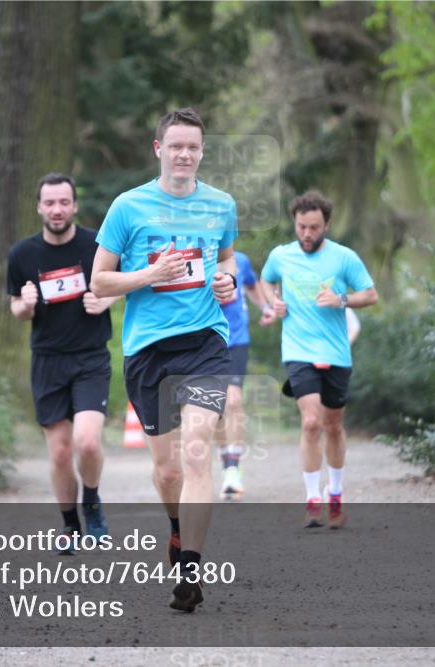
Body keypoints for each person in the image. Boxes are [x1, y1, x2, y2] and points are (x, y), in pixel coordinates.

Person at [90, 108, 237, 612]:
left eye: (193, 147)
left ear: (202, 151)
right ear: (159, 149)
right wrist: (148, 276)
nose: (185, 154)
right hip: (148, 350)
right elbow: (99, 282)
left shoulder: (220, 205)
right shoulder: (128, 208)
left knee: (198, 450)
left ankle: (192, 569)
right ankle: (177, 530)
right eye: (176, 146)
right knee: (168, 472)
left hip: (205, 342)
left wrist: (229, 281)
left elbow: (227, 260)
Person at [7, 173, 118, 554]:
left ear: (74, 206)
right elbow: (17, 311)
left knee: (86, 442)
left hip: (90, 357)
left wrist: (106, 300)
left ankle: (93, 504)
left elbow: (120, 283)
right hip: (48, 361)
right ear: (39, 207)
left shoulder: (96, 246)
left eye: (64, 203)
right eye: (50, 203)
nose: (57, 210)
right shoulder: (23, 255)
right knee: (58, 452)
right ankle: (70, 525)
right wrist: (26, 303)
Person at [259, 190, 378, 529]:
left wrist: (342, 300)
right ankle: (312, 499)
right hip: (298, 351)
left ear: (326, 224)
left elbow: (371, 295)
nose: (307, 234)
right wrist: (273, 303)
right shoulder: (280, 256)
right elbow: (267, 281)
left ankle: (335, 494)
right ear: (294, 224)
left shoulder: (344, 258)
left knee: (334, 425)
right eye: (301, 227)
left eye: (313, 227)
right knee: (311, 422)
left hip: (336, 352)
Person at [214, 250, 268, 500]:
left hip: (236, 340)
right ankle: (226, 463)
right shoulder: (193, 258)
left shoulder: (241, 260)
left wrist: (265, 306)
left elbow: (252, 285)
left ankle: (233, 470)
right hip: (207, 343)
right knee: (214, 408)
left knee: (233, 400)